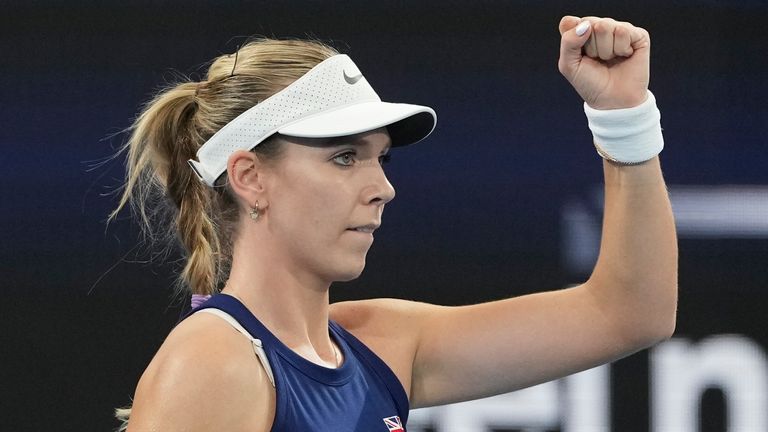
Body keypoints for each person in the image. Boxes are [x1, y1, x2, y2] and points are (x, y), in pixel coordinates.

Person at [113, 15, 677, 431]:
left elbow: (629, 313)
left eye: (381, 158)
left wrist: (624, 117)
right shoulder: (214, 363)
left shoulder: (380, 343)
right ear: (251, 178)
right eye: (343, 157)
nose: (382, 188)